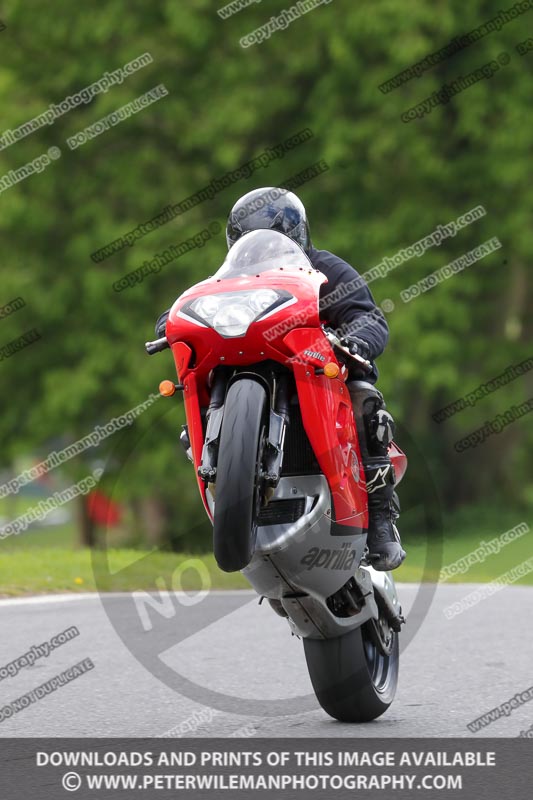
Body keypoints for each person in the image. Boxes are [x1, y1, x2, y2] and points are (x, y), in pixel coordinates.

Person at [155, 188, 405, 571]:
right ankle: (227, 491)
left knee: (363, 399)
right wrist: (172, 322)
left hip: (320, 375)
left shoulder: (326, 269)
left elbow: (366, 315)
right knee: (192, 412)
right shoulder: (225, 284)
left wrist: (356, 338)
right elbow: (185, 307)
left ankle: (382, 520)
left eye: (274, 237)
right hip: (245, 364)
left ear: (298, 237)